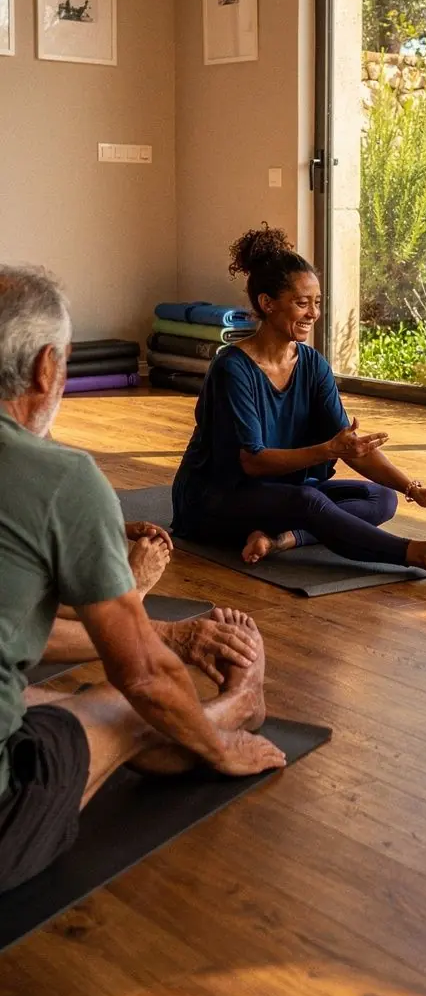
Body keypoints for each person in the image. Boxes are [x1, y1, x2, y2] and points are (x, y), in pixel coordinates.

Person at [0, 265, 286, 894]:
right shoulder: (62, 478)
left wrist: (175, 636)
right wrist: (218, 746)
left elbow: (14, 633)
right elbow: (143, 677)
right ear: (48, 367)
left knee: (42, 702)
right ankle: (237, 708)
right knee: (123, 707)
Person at [172, 226, 426, 582]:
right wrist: (328, 450)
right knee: (308, 503)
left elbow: (350, 447)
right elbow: (252, 462)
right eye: (301, 303)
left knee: (382, 499)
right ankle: (420, 554)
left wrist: (413, 489)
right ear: (267, 303)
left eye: (317, 302)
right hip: (213, 501)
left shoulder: (312, 364)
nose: (313, 313)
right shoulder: (232, 368)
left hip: (279, 495)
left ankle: (283, 539)